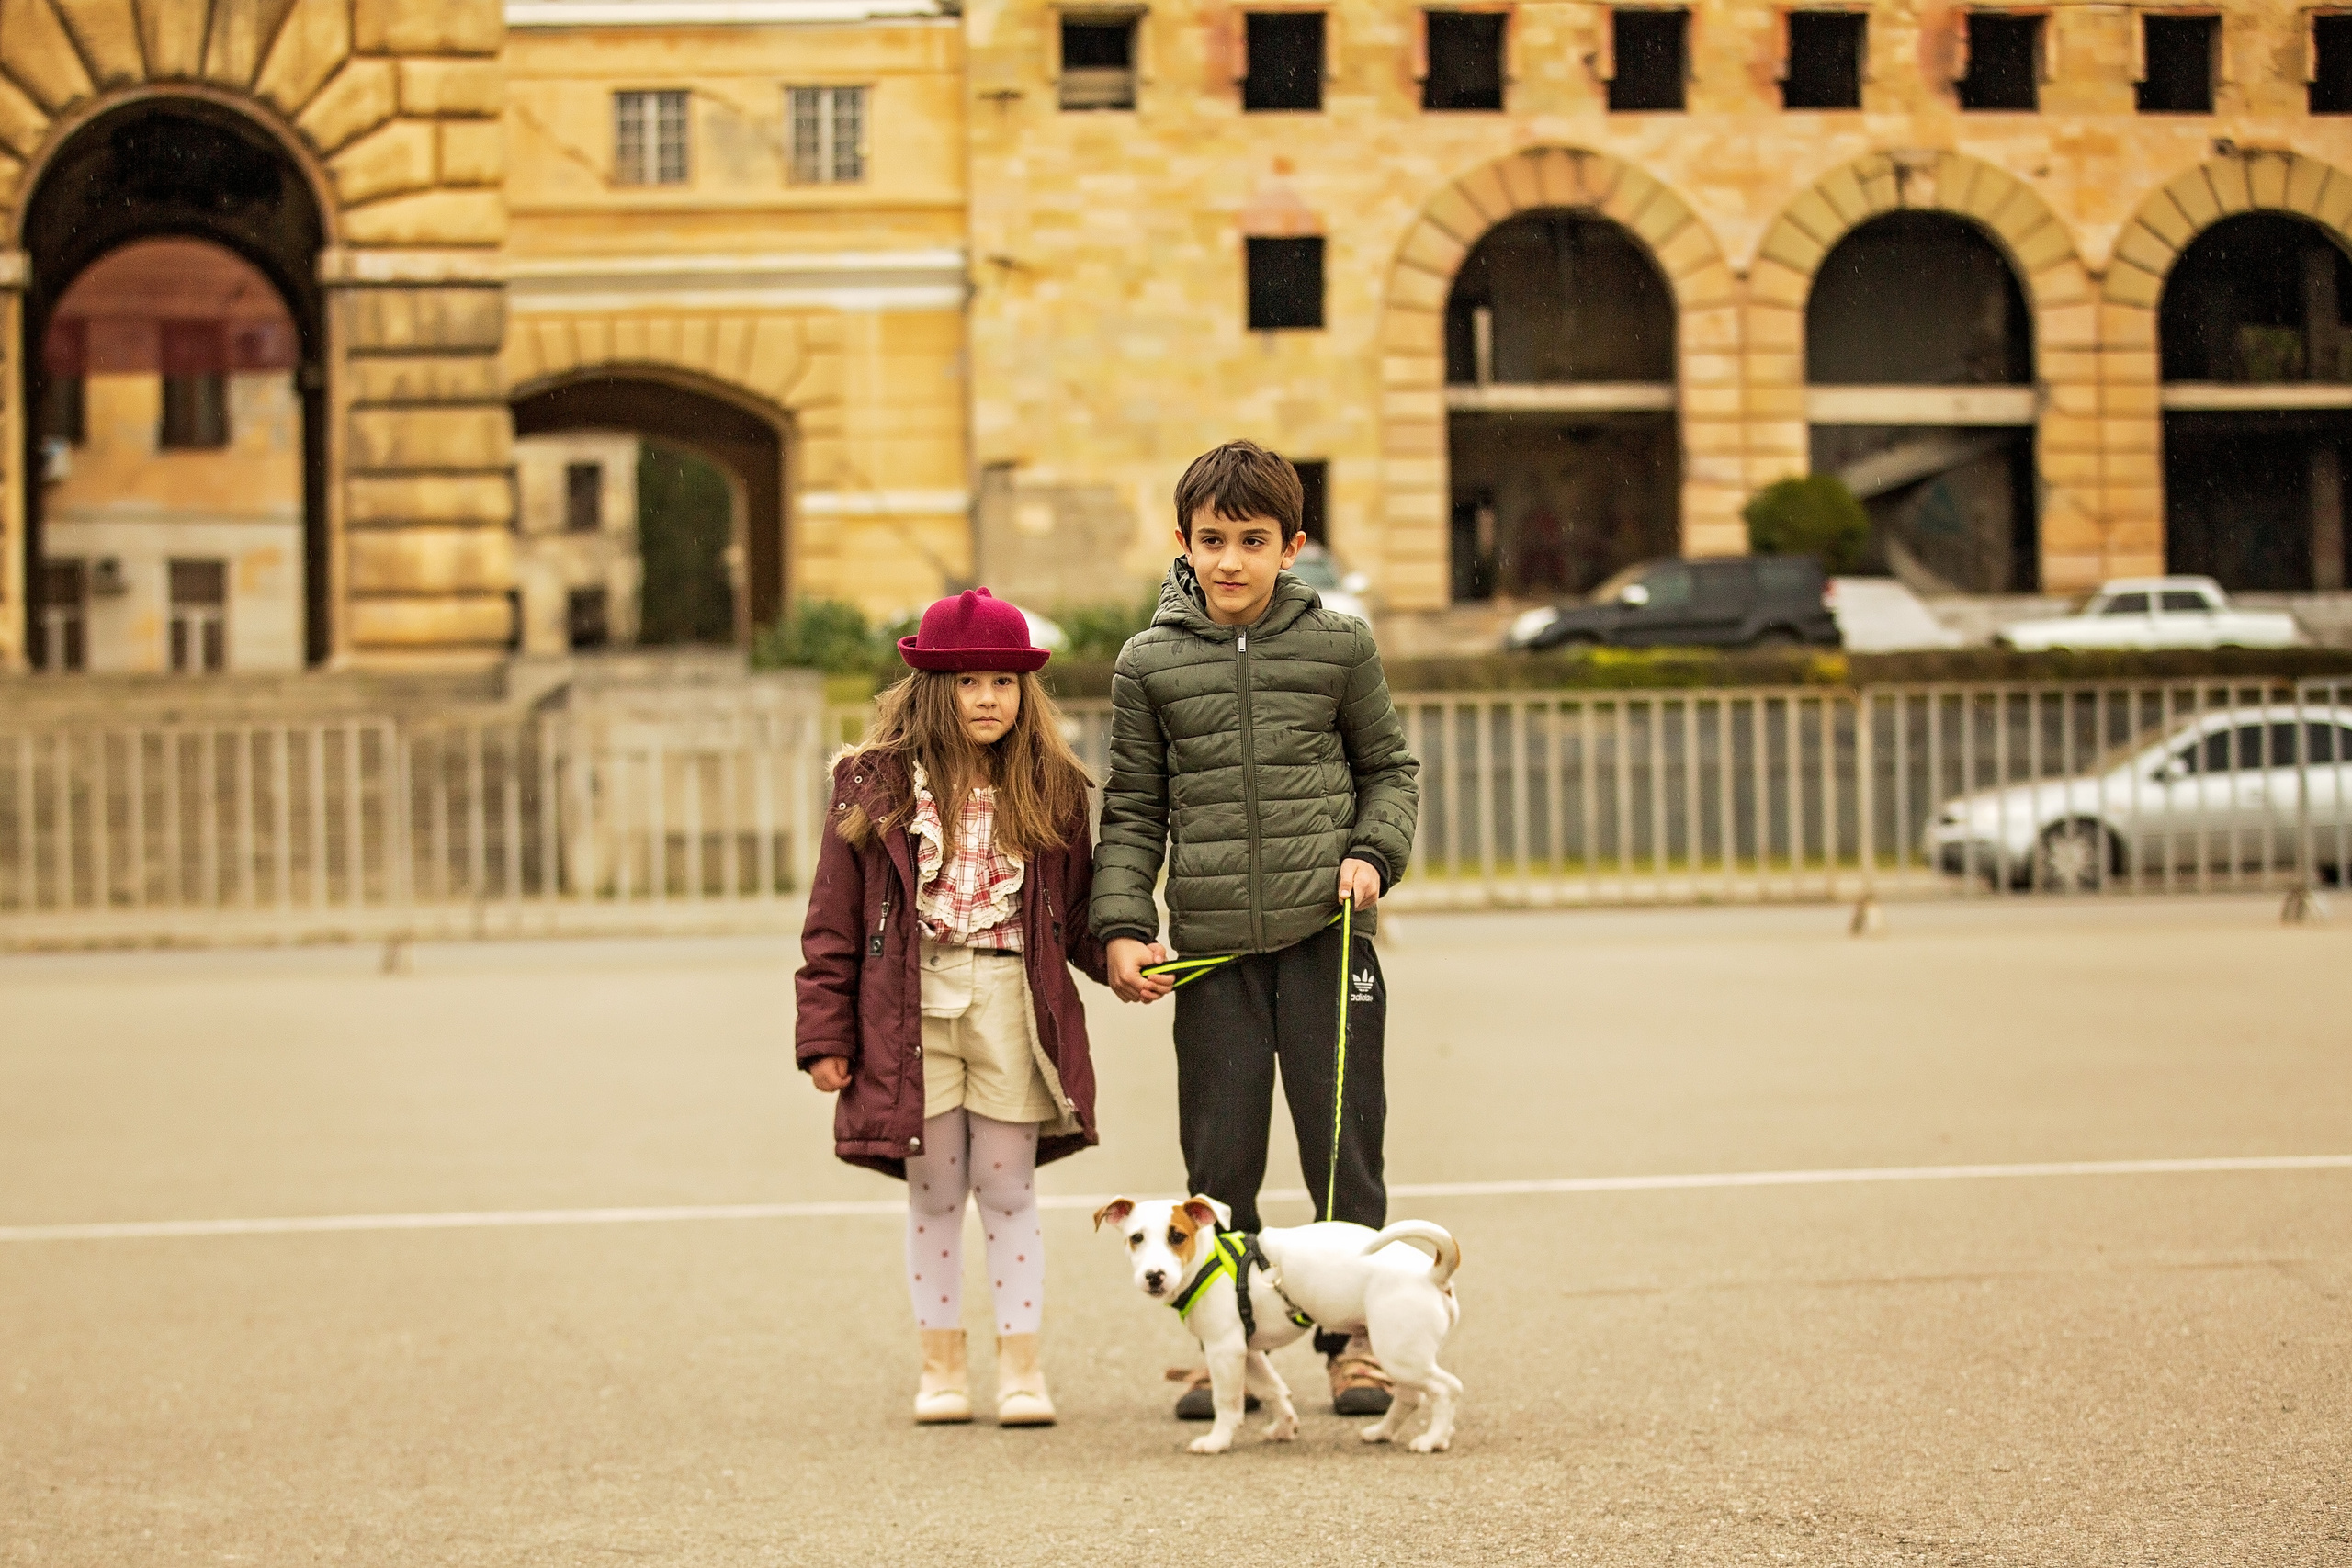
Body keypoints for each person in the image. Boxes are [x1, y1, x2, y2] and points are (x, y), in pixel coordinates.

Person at [1091, 441, 1421, 1420]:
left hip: (1328, 937)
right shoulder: (1147, 664)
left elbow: (1390, 772)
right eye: (1211, 541)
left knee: (1342, 1150)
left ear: (1293, 547)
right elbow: (1134, 810)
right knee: (1221, 1160)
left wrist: (1372, 852)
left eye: (1252, 541)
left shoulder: (1339, 646)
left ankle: (1352, 1341)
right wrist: (1120, 923)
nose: (1229, 561)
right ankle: (1220, 1346)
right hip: (1212, 950)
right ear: (1181, 544)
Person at [795, 588, 1108, 1427]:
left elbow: (1078, 919)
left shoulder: (1055, 787)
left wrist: (1124, 955)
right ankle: (941, 1368)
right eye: (968, 681)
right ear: (934, 688)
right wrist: (824, 1033)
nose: (986, 698)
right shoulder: (869, 787)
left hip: (1010, 998)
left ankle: (1022, 1371)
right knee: (934, 1191)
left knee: (1007, 1187)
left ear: (1024, 693)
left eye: (1004, 682)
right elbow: (831, 922)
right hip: (910, 1003)